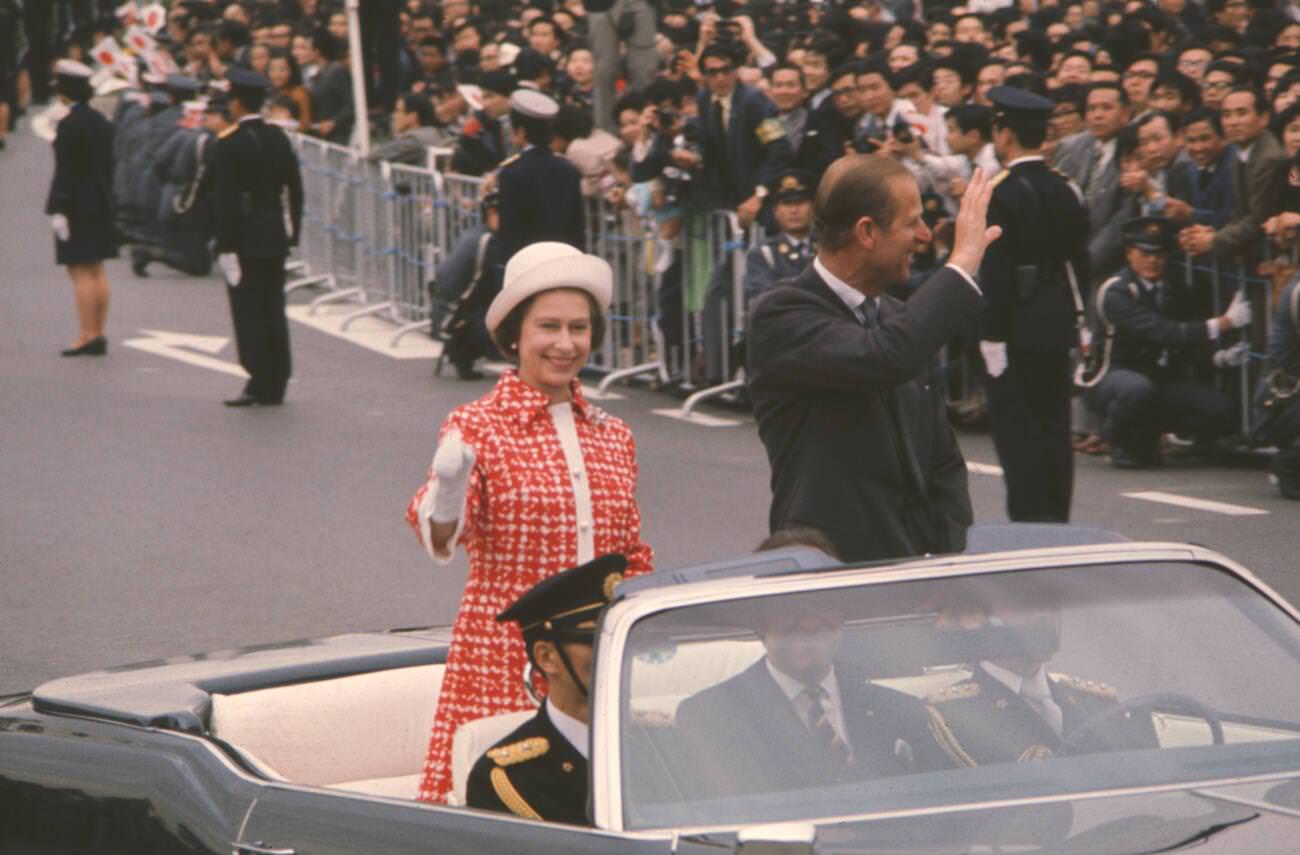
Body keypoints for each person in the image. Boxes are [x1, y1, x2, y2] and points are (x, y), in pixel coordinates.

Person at [405, 241, 654, 804]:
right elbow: (442, 535)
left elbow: (631, 552)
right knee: (499, 810)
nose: (565, 344)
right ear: (515, 334)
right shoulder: (476, 425)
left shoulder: (614, 434)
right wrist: (448, 490)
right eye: (548, 327)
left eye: (579, 328)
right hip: (502, 656)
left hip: (596, 665)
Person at [747, 155, 1000, 563]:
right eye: (910, 223)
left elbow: (944, 465)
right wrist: (962, 263)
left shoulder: (899, 319)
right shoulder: (782, 315)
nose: (923, 236)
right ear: (867, 231)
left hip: (915, 575)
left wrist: (954, 563)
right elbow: (884, 358)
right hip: (828, 579)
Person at [673, 592, 952, 797]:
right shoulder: (709, 717)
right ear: (759, 623)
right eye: (788, 605)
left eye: (822, 604)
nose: (808, 622)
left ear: (842, 617)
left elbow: (943, 810)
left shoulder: (900, 708)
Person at [977, 86, 1090, 523]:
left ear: (1003, 134)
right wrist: (1082, 323)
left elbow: (997, 270)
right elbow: (1079, 262)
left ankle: (1027, 523)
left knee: (1017, 434)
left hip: (1015, 325)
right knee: (1053, 431)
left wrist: (991, 335)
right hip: (1056, 320)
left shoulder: (1001, 191)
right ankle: (1056, 519)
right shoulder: (1067, 189)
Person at [465, 553, 629, 823]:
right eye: (596, 639)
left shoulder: (659, 744)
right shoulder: (506, 779)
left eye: (623, 638)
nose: (615, 652)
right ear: (546, 658)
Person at [1081, 217, 1246, 468]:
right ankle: (1119, 439)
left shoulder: (1173, 286)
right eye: (1144, 253)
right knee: (1137, 390)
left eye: (1159, 254)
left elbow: (1185, 338)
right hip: (1112, 375)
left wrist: (1219, 358)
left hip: (1157, 377)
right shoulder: (1117, 291)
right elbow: (1163, 332)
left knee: (1220, 409)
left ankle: (1156, 434)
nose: (1153, 260)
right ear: (1129, 254)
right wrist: (1225, 323)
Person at [211, 67, 304, 407]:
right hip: (274, 233)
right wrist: (293, 230)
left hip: (244, 236)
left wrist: (225, 245)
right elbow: (295, 189)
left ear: (236, 103)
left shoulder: (228, 143)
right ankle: (276, 379)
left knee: (249, 311)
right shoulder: (278, 138)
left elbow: (225, 201)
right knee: (273, 308)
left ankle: (257, 377)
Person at [46, 59, 118, 357]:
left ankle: (86, 334)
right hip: (101, 200)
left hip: (76, 203)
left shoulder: (69, 124)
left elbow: (66, 171)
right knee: (97, 268)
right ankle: (99, 331)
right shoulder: (102, 122)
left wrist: (58, 207)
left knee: (79, 271)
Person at [496, 89, 585, 261]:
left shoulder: (511, 172)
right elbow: (576, 227)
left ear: (521, 131)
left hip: (526, 261)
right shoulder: (569, 170)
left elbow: (509, 231)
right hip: (563, 259)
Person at [430, 190, 505, 380]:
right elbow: (489, 283)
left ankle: (462, 352)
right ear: (492, 214)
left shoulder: (473, 233)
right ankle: (467, 352)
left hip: (445, 304)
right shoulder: (487, 240)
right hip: (458, 310)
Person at [742, 170, 815, 306]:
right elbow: (762, 297)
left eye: (800, 203)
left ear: (812, 208)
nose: (794, 210)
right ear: (776, 211)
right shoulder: (764, 254)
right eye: (787, 204)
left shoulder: (827, 249)